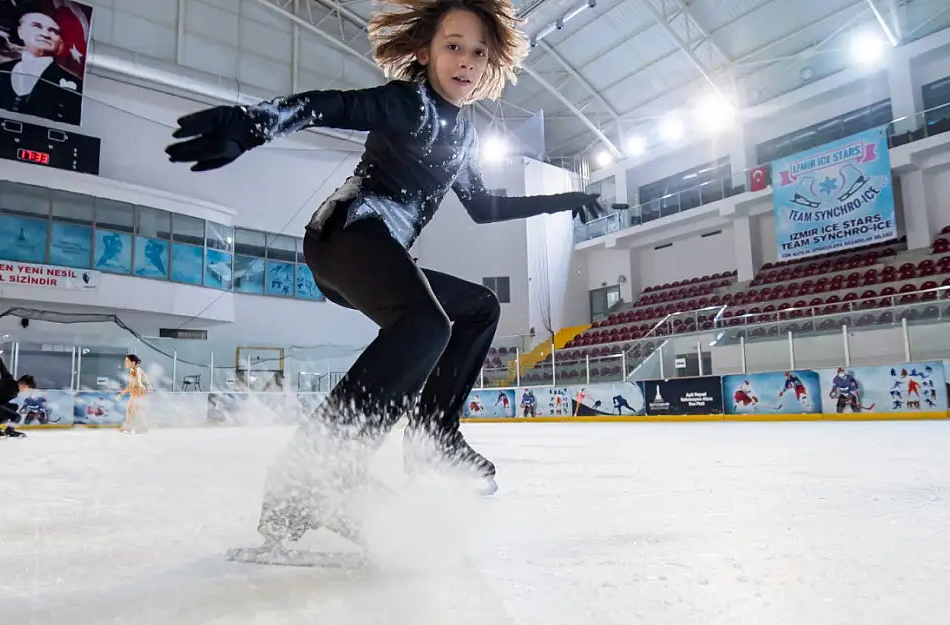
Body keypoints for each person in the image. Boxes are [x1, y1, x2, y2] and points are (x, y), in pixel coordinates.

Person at [166, 0, 616, 548]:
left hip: (381, 255)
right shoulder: (411, 104)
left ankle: (432, 439)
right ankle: (310, 478)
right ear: (425, 51)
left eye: (478, 52)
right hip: (345, 236)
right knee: (427, 326)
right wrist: (253, 124)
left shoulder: (465, 137)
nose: (466, 62)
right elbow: (330, 105)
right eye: (454, 46)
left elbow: (485, 209)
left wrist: (564, 198)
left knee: (476, 309)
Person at [0, 0, 85, 125]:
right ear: (20, 32)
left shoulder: (75, 87)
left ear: (60, 41)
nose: (45, 34)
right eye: (37, 26)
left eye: (54, 31)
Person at [0, 339, 35, 438]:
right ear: (25, 385)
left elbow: (1, 365)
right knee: (17, 416)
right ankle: (10, 431)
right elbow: (0, 364)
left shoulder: (9, 381)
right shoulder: (9, 380)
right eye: (27, 388)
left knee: (13, 407)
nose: (26, 390)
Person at [115, 354, 149, 433]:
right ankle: (128, 426)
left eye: (127, 361)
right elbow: (131, 384)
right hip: (134, 391)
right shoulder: (132, 371)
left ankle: (143, 427)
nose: (125, 363)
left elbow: (137, 382)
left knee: (136, 409)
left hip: (138, 392)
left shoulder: (138, 370)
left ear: (133, 363)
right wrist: (122, 393)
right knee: (129, 409)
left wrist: (123, 393)